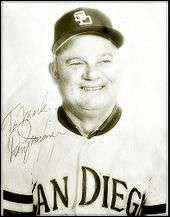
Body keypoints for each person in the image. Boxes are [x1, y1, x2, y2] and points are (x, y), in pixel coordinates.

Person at [2, 7, 167, 216]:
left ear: (119, 67)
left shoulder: (155, 144)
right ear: (55, 72)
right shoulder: (23, 141)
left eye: (104, 61)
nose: (91, 73)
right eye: (76, 62)